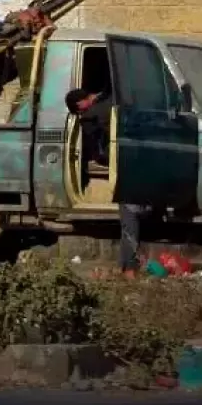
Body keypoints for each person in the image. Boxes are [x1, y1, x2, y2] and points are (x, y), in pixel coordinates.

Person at [65, 88, 149, 277]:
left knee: (129, 216)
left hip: (124, 165)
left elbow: (97, 148)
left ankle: (129, 268)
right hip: (136, 161)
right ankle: (126, 266)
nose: (81, 114)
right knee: (129, 217)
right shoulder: (112, 96)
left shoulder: (91, 115)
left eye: (79, 111)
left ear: (80, 104)